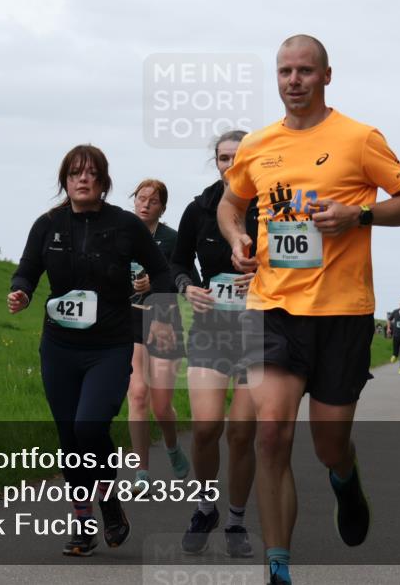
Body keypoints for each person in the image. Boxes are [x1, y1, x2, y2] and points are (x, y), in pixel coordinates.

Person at [216, 35, 400, 585]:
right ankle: (278, 566)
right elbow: (230, 202)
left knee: (327, 443)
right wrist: (238, 236)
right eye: (285, 71)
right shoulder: (258, 145)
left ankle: (345, 478)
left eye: (305, 71)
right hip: (272, 308)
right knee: (271, 436)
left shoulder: (360, 139)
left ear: (326, 76)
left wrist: (358, 216)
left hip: (341, 314)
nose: (294, 80)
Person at [8, 145, 178, 557]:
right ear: (65, 180)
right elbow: (28, 269)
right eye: (75, 173)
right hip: (60, 345)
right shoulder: (47, 224)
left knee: (89, 427)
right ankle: (87, 520)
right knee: (70, 436)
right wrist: (22, 292)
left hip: (110, 345)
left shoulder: (124, 225)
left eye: (91, 173)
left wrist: (155, 302)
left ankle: (107, 501)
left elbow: (162, 272)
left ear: (103, 181)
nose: (83, 179)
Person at [170, 130, 259, 557]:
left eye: (238, 157)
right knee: (206, 428)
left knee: (242, 434)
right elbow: (175, 261)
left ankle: (237, 521)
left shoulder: (271, 207)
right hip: (210, 329)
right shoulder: (199, 209)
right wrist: (188, 287)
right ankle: (205, 508)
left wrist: (263, 278)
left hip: (260, 331)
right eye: (224, 157)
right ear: (217, 162)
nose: (230, 164)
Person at [126, 179, 190, 492]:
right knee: (138, 393)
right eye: (141, 198)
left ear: (162, 207)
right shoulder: (120, 234)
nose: (145, 204)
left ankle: (172, 446)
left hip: (165, 320)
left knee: (161, 405)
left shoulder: (172, 239)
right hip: (131, 322)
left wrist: (155, 285)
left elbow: (183, 277)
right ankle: (141, 471)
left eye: (153, 200)